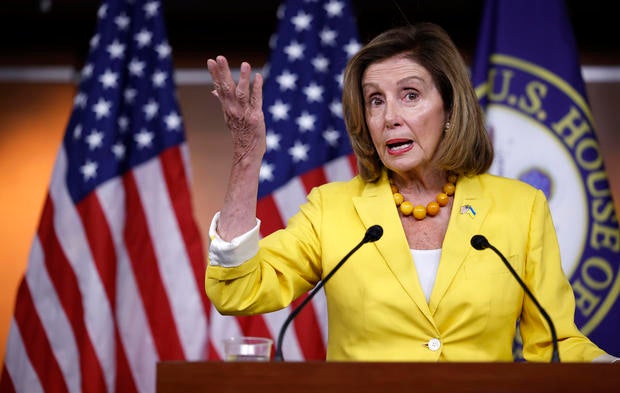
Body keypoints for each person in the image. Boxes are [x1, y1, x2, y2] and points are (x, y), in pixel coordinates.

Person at [204, 22, 617, 362]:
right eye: (375, 101)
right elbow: (237, 290)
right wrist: (246, 156)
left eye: (411, 95)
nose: (389, 118)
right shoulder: (332, 209)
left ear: (451, 108)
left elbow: (558, 344)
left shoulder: (519, 208)